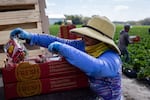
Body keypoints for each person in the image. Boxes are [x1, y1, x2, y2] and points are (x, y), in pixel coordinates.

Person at [10, 16, 122, 100]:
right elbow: (60, 42)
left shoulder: (112, 58)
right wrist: (31, 37)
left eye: (91, 35)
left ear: (101, 40)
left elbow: (97, 68)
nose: (84, 37)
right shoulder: (86, 45)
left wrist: (64, 49)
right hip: (94, 95)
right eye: (86, 33)